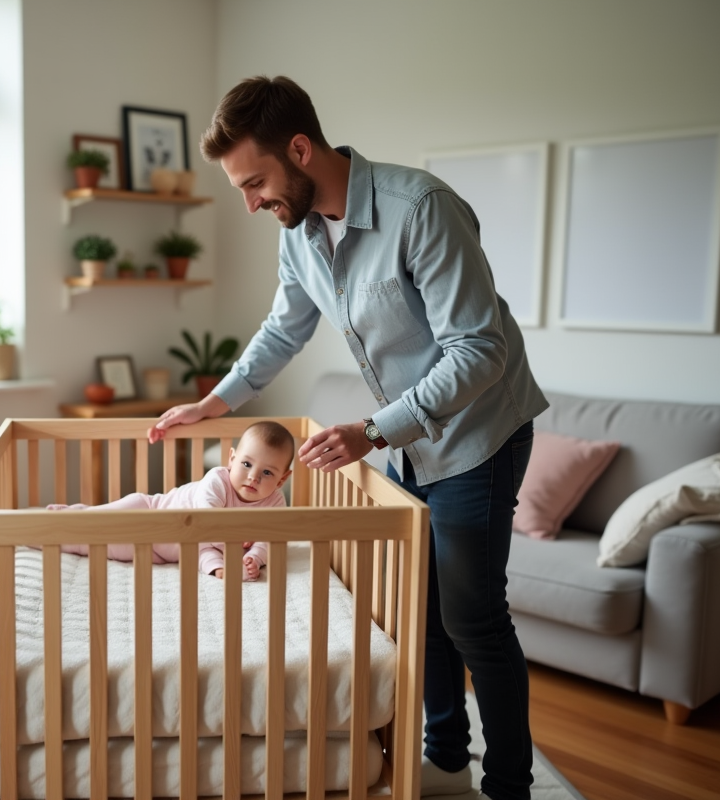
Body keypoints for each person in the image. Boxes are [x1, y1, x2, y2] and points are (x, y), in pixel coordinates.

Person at [148, 76, 548, 800]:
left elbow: (479, 350)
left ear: (300, 149)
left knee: (473, 616)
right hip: (409, 437)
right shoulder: (299, 234)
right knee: (418, 608)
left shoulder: (419, 208)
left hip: (480, 435)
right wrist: (213, 402)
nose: (251, 202)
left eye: (256, 181)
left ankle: (510, 787)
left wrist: (373, 430)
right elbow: (283, 330)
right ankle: (447, 756)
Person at [49, 420, 294, 581]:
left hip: (165, 550)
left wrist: (252, 559)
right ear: (232, 459)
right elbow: (205, 523)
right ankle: (66, 516)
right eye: (247, 464)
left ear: (282, 480)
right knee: (101, 518)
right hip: (150, 511)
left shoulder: (274, 502)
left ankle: (48, 538)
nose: (253, 477)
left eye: (267, 473)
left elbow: (268, 541)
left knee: (93, 545)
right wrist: (237, 543)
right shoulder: (218, 480)